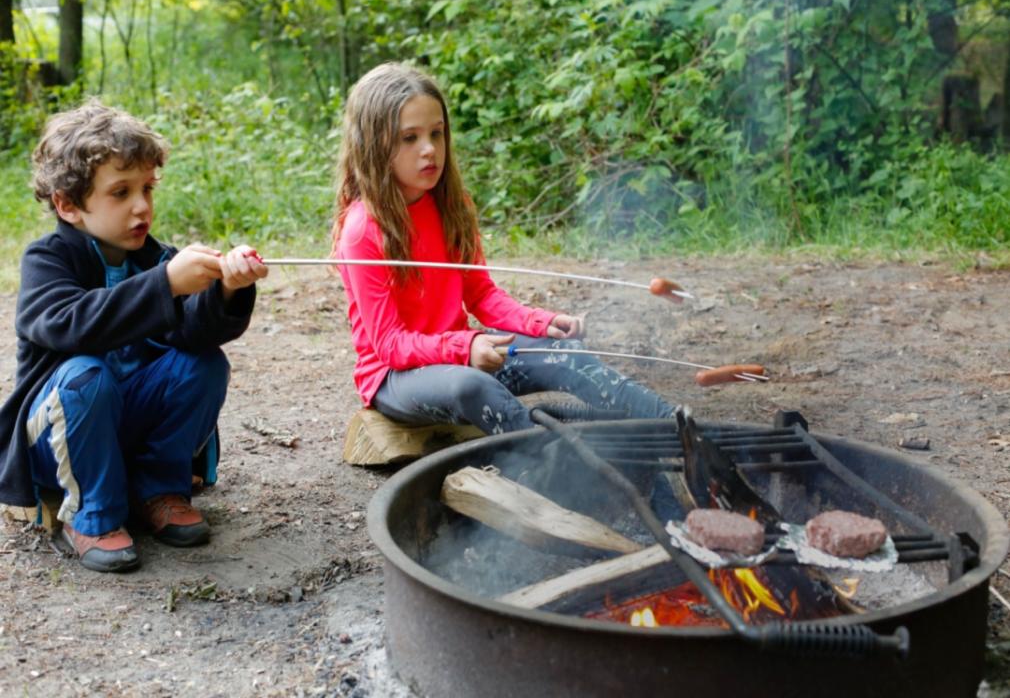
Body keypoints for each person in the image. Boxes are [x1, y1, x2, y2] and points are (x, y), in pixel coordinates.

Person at [331, 62, 675, 435]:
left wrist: (541, 322)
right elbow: (390, 345)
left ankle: (675, 428)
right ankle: (558, 466)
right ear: (374, 145)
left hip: (456, 356)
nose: (429, 149)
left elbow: (481, 295)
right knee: (474, 385)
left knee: (563, 355)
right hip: (395, 378)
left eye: (437, 133)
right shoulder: (363, 229)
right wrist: (466, 346)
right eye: (409, 138)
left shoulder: (451, 205)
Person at [0, 100, 269, 573]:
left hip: (129, 422)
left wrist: (226, 288)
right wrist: (165, 284)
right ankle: (93, 514)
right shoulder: (48, 260)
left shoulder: (154, 257)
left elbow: (192, 332)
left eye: (146, 188)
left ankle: (158, 487)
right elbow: (70, 323)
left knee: (203, 363)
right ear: (68, 204)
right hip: (59, 437)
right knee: (86, 375)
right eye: (120, 192)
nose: (141, 206)